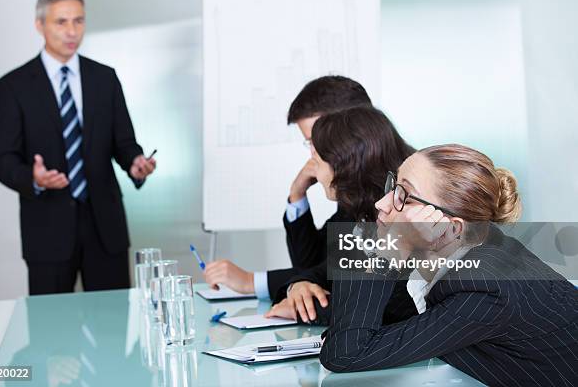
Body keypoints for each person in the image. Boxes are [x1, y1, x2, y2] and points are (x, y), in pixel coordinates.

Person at [318, 144, 578, 386]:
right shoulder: (463, 252)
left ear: (450, 228)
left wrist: (391, 251)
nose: (382, 203)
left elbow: (344, 355)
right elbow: (388, 309)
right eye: (393, 186)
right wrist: (304, 300)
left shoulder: (486, 290)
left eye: (405, 198)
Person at [0, 0, 156, 295]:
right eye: (61, 22)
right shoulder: (14, 86)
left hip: (105, 226)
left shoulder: (104, 78)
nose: (72, 31)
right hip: (47, 229)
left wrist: (135, 162)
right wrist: (33, 177)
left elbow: (124, 143)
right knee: (50, 334)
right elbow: (2, 158)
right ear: (40, 25)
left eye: (78, 21)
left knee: (113, 328)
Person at [203, 76, 373, 301]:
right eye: (310, 143)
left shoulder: (393, 189)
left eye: (317, 141)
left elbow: (347, 278)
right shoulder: (354, 189)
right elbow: (314, 266)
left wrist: (249, 281)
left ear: (353, 128)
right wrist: (297, 193)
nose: (312, 154)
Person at [266, 106, 416, 323]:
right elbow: (332, 267)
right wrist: (300, 285)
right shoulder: (363, 210)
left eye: (317, 161)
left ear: (343, 164)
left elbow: (393, 309)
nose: (313, 173)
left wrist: (311, 310)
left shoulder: (407, 214)